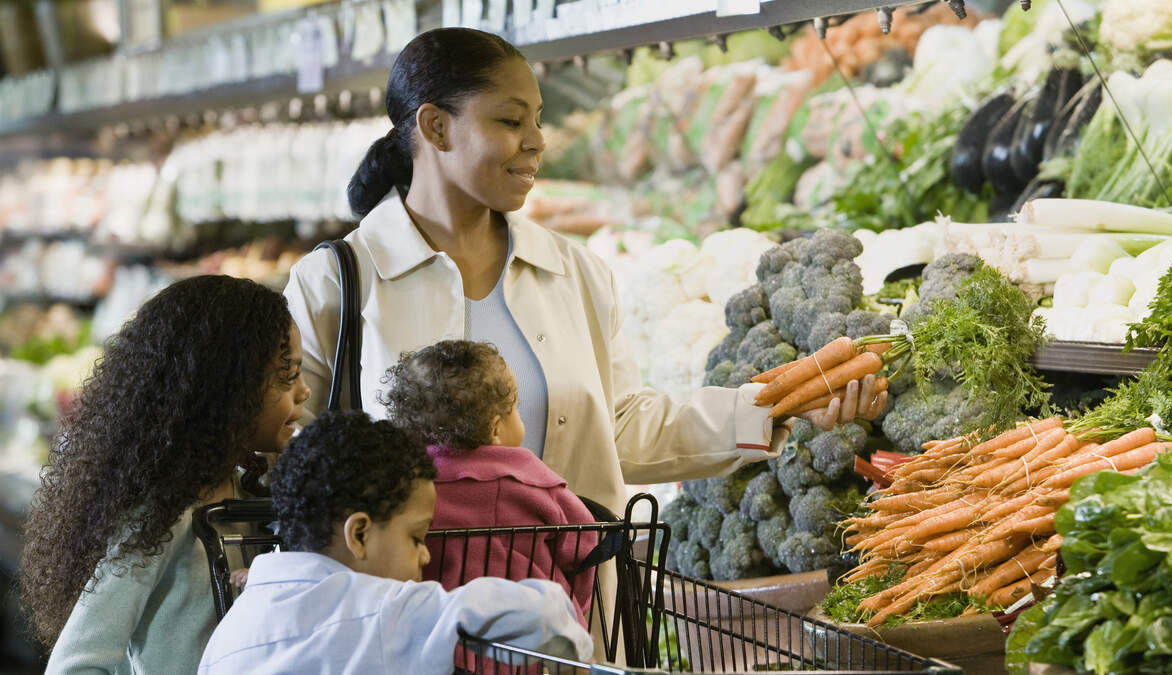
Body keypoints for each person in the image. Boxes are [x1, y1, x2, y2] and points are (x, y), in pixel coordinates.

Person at [283, 27, 886, 519]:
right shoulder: (335, 283)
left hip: (564, 623)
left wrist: (775, 407)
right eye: (511, 121)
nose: (537, 141)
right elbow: (292, 463)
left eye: (538, 120)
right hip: (408, 633)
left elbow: (620, 429)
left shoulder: (572, 271)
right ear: (436, 126)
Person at [20, 275, 312, 674]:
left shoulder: (252, 491)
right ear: (227, 385)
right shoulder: (161, 516)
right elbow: (77, 663)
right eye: (288, 375)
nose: (305, 392)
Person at [198, 410, 593, 674]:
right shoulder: (385, 611)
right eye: (416, 536)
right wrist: (571, 644)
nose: (425, 554)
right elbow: (540, 613)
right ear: (360, 534)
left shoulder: (230, 633)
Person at [383, 339, 598, 624]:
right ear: (496, 428)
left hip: (437, 632)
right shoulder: (534, 482)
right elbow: (584, 544)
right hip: (534, 636)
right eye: (516, 409)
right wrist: (575, 609)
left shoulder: (405, 487)